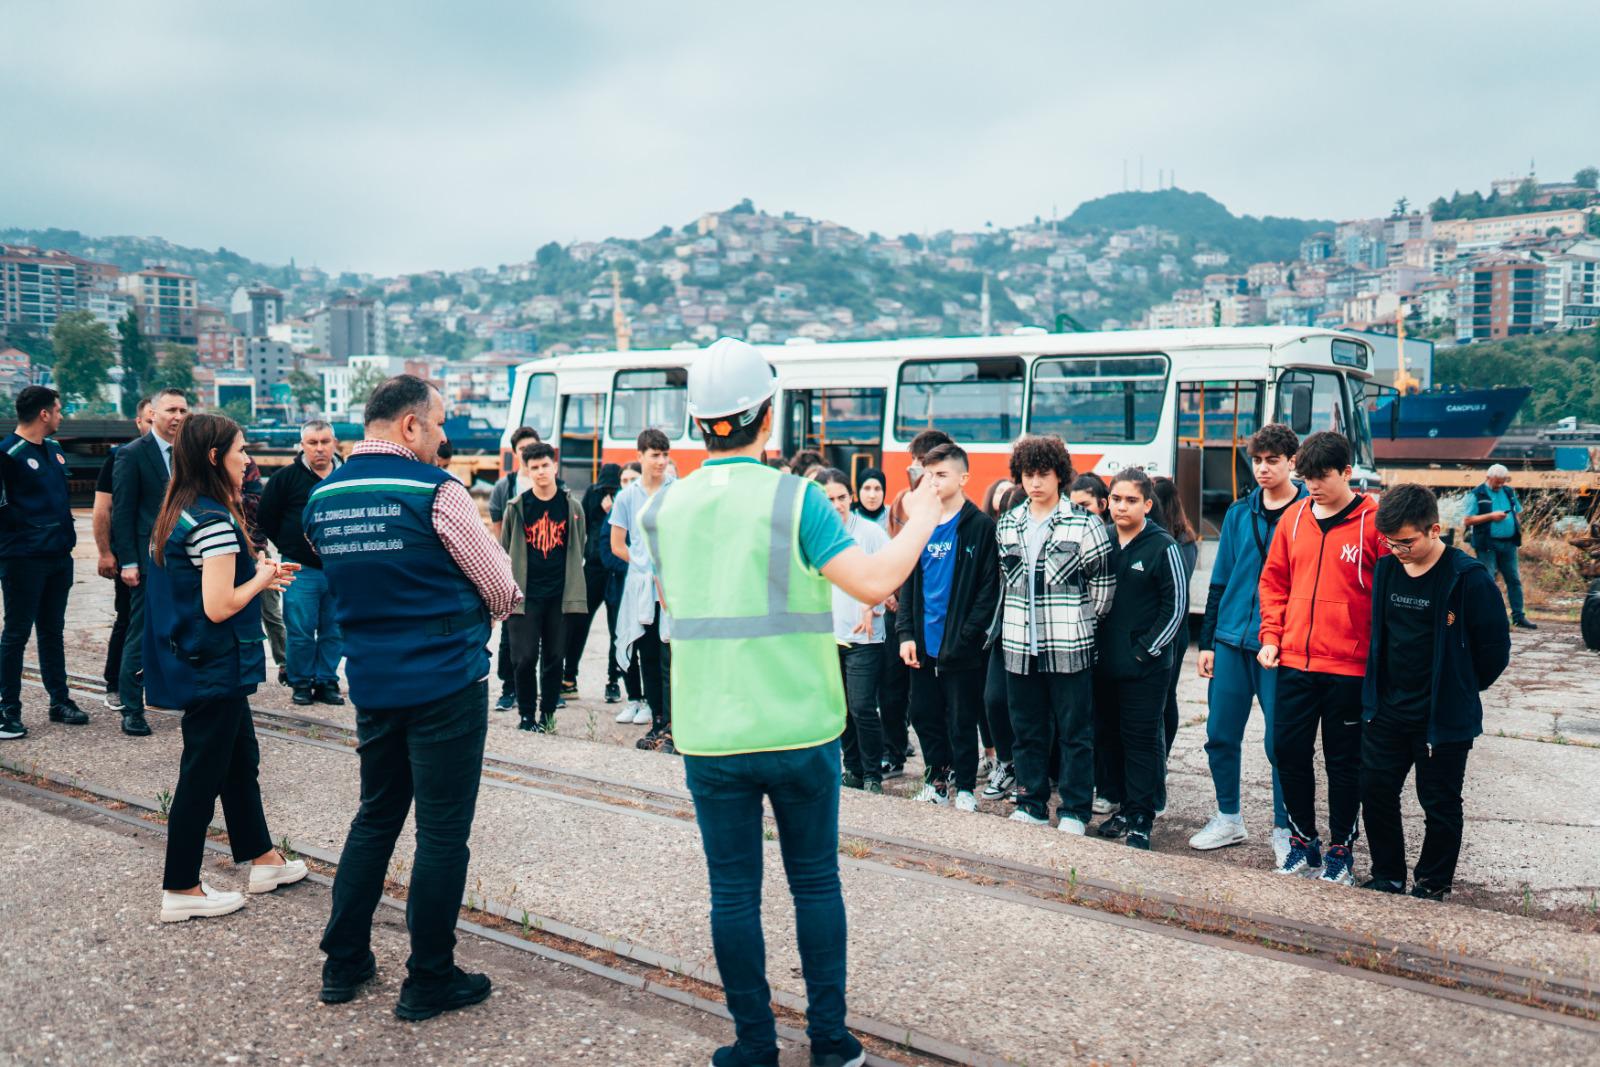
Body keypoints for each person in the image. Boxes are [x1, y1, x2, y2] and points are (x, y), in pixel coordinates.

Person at [642, 337, 941, 1067]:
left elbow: (678, 600)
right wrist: (925, 515)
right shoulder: (798, 496)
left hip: (711, 732)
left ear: (697, 421)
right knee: (814, 883)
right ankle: (831, 1044)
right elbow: (872, 583)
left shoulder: (661, 507)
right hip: (801, 724)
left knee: (733, 894)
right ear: (765, 416)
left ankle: (753, 1045)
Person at [308, 374, 520, 1021]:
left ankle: (343, 962)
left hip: (373, 682)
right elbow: (504, 589)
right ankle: (428, 977)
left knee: (375, 816)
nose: (443, 435)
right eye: (438, 423)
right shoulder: (439, 492)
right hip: (445, 682)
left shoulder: (323, 497)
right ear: (409, 426)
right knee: (442, 833)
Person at [143, 413, 307, 921]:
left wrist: (259, 575)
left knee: (239, 763)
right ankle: (181, 887)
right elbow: (218, 605)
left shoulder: (183, 511)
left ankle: (262, 859)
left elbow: (202, 593)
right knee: (202, 773)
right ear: (216, 458)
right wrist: (261, 578)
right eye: (240, 451)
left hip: (204, 662)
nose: (248, 460)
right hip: (213, 665)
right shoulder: (214, 522)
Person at [1360, 484, 1510, 902]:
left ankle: (1431, 884)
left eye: (1406, 541)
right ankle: (1387, 875)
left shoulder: (1469, 578)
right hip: (1387, 711)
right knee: (1375, 792)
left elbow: (1494, 652)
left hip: (1441, 718)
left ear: (1434, 530)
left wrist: (1457, 687)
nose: (1397, 549)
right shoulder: (1388, 568)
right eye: (1389, 541)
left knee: (1440, 806)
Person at [1258, 431, 1386, 886]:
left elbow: (1390, 590)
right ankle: (1301, 841)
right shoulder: (1293, 519)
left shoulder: (1374, 520)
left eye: (1321, 477)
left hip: (1349, 669)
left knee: (1343, 763)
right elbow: (1274, 583)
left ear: (1347, 473)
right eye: (1306, 477)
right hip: (1294, 661)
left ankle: (1341, 851)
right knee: (1287, 752)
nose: (1312, 486)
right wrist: (1271, 635)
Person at [1190, 424, 1304, 864]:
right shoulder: (1239, 513)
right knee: (1220, 735)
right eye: (1257, 460)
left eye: (1272, 460)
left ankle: (1283, 828)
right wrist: (1207, 642)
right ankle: (1228, 818)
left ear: (1292, 462)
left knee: (1281, 743)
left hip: (1282, 645)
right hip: (1231, 639)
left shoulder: (1306, 512)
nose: (1262, 468)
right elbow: (1220, 581)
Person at [997, 435, 1116, 832]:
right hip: (1018, 645)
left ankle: (1075, 810)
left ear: (1059, 476)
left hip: (1069, 644)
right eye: (1028, 474)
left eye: (1043, 474)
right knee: (1026, 731)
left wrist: (1080, 623)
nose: (1035, 482)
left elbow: (1103, 588)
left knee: (1075, 733)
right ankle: (1030, 803)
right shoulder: (1009, 523)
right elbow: (1006, 582)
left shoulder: (1084, 524)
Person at [897, 442, 1000, 812]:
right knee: (924, 715)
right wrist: (905, 633)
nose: (934, 482)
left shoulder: (980, 527)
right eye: (928, 475)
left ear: (963, 477)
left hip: (961, 646)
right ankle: (936, 782)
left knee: (962, 718)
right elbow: (907, 582)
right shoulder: (920, 524)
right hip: (923, 643)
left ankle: (966, 788)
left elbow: (989, 591)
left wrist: (967, 636)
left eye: (942, 474)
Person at [1092, 470, 1187, 850]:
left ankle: (1142, 818)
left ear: (1148, 505)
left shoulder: (1163, 547)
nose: (1121, 506)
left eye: (1130, 500)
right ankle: (1123, 808)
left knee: (1141, 742)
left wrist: (1144, 651)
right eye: (1116, 499)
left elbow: (1176, 607)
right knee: (1109, 739)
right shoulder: (1100, 541)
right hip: (1103, 665)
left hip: (1144, 669)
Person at [0, 386, 84, 740]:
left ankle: (59, 701)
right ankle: (8, 711)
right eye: (59, 410)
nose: (62, 416)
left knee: (52, 631)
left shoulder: (53, 450)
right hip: (23, 558)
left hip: (58, 557)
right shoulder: (7, 454)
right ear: (44, 414)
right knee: (16, 634)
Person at [112, 387, 189, 736]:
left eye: (183, 411)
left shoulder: (188, 453)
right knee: (140, 632)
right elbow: (123, 512)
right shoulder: (132, 454)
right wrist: (127, 560)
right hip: (145, 560)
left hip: (183, 556)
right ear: (153, 414)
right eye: (171, 410)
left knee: (182, 628)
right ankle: (131, 707)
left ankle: (176, 692)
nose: (177, 417)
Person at [499, 442, 587, 732]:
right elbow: (505, 546)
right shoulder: (518, 507)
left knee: (554, 658)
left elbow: (579, 544)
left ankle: (547, 716)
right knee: (523, 658)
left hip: (560, 595)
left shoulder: (571, 507)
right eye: (533, 467)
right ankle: (526, 716)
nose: (540, 472)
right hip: (525, 595)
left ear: (554, 467)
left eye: (544, 466)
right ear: (527, 469)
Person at [880, 429, 953, 780]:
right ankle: (894, 753)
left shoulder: (953, 510)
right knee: (893, 690)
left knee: (939, 700)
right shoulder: (900, 502)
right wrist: (891, 594)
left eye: (918, 463)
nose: (913, 470)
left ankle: (946, 765)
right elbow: (891, 550)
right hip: (901, 612)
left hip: (937, 617)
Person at [257, 419, 345, 706]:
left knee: (335, 629)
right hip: (300, 568)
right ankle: (302, 682)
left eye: (324, 442)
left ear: (334, 443)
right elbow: (267, 517)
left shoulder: (347, 476)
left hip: (341, 568)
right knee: (300, 629)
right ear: (302, 446)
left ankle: (327, 680)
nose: (319, 448)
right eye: (312, 443)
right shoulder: (286, 479)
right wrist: (290, 545)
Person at [817, 468, 890, 794]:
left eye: (842, 497)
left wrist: (871, 601)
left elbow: (891, 575)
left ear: (852, 497)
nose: (837, 505)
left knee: (862, 706)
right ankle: (855, 770)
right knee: (840, 708)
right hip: (829, 634)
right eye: (829, 499)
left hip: (865, 635)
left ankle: (874, 773)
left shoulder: (870, 532)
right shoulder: (817, 531)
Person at [610, 429, 674, 750]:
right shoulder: (627, 497)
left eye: (665, 455)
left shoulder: (677, 491)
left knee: (670, 656)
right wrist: (642, 564)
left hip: (673, 586)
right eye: (654, 455)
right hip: (641, 587)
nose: (661, 461)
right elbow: (617, 544)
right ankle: (658, 724)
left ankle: (676, 727)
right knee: (646, 653)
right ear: (640, 456)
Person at [93, 397, 153, 710]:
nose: (152, 426)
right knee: (127, 619)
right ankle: (114, 681)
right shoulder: (120, 457)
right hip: (128, 552)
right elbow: (104, 509)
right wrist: (106, 552)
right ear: (139, 422)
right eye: (148, 420)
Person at [1150, 476, 1198, 811]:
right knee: (1165, 697)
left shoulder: (1179, 542)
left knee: (1165, 696)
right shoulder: (1184, 538)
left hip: (1171, 630)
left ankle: (1161, 759)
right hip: (1171, 629)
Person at [488, 428, 543, 710]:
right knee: (511, 634)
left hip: (543, 570)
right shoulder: (504, 487)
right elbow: (499, 534)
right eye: (523, 449)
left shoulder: (552, 483)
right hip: (513, 571)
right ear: (515, 453)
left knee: (543, 632)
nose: (528, 453)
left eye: (533, 447)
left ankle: (545, 690)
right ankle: (508, 688)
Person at [568, 462, 624, 704]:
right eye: (605, 489)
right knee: (579, 623)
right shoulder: (592, 493)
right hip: (592, 567)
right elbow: (584, 525)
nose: (608, 493)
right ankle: (569, 677)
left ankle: (613, 681)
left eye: (612, 489)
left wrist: (612, 512)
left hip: (616, 570)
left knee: (617, 629)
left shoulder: (623, 498)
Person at [1464, 463, 1535, 630]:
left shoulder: (1509, 492)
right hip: (1487, 544)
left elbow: (1516, 511)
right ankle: (1487, 617)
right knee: (1487, 580)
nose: (1500, 485)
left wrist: (1516, 525)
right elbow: (1467, 520)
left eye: (1503, 482)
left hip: (1509, 544)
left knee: (1514, 580)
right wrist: (1491, 516)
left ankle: (1518, 616)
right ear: (1488, 478)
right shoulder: (1476, 494)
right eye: (1497, 482)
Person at [241, 455, 289, 684]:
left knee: (271, 611)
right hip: (227, 552)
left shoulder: (247, 465)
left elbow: (256, 505)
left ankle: (284, 663)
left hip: (256, 550)